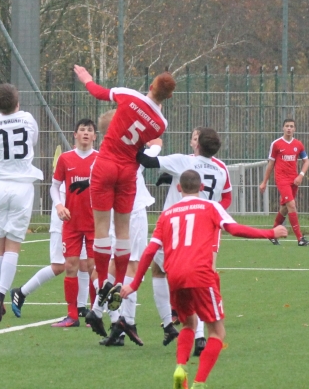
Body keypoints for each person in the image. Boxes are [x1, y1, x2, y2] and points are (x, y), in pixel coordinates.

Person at [121, 170, 287, 389]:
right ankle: (199, 383)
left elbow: (150, 251)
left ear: (179, 188)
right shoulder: (211, 206)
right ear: (201, 188)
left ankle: (181, 367)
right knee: (217, 332)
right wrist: (270, 233)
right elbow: (234, 229)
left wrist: (134, 284)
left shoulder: (167, 214)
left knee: (189, 323)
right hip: (200, 274)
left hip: (175, 276)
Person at [73, 64, 173, 330]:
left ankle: (104, 287)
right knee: (124, 236)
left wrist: (87, 79)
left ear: (150, 85)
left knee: (101, 229)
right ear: (168, 98)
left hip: (105, 165)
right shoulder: (161, 124)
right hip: (128, 174)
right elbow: (149, 141)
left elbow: (98, 92)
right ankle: (117, 287)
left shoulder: (129, 97)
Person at [137, 127, 232, 353]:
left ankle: (169, 324)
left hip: (176, 226)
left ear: (197, 144)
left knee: (160, 271)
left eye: (195, 137)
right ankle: (200, 335)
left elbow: (146, 161)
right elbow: (225, 195)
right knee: (200, 280)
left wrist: (141, 141)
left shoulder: (184, 162)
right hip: (204, 229)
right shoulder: (222, 168)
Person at [12, 118, 98, 326]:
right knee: (65, 265)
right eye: (82, 130)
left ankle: (89, 311)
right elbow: (54, 186)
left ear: (95, 136)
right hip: (66, 221)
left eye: (90, 130)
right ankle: (24, 293)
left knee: (89, 266)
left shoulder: (100, 159)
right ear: (75, 135)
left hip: (93, 221)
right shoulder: (66, 159)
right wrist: (59, 206)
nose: (86, 133)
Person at [0, 83, 41, 323]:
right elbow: (32, 141)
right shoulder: (28, 119)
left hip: (0, 186)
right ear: (17, 102)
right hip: (22, 187)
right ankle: (1, 293)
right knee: (13, 244)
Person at [97, 109, 155, 347]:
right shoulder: (130, 151)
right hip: (132, 211)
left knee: (113, 264)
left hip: (113, 214)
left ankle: (112, 321)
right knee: (132, 265)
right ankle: (126, 321)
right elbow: (155, 148)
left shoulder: (104, 154)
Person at [259, 118, 309, 246]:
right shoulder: (276, 144)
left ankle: (271, 234)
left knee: (285, 208)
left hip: (294, 180)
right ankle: (300, 238)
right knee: (291, 205)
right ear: (283, 128)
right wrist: (264, 182)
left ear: (294, 129)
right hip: (282, 180)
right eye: (287, 126)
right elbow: (271, 164)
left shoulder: (298, 144)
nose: (289, 128)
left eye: (291, 126)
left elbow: (306, 161)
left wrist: (301, 176)